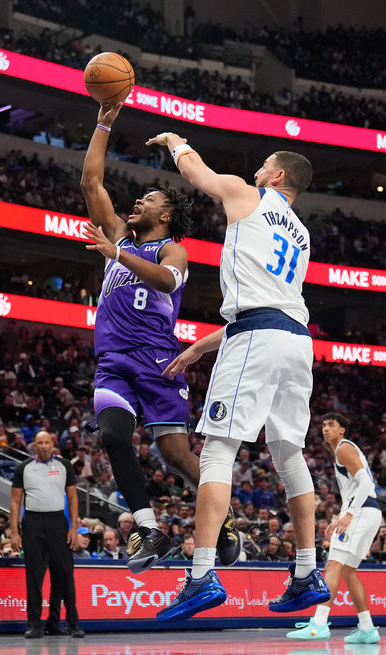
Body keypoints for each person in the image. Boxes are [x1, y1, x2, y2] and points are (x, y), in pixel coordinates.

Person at [149, 135, 328, 621]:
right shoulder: (301, 233)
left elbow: (197, 175)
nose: (256, 169)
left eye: (264, 163)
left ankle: (202, 573)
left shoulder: (249, 196)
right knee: (289, 453)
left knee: (218, 450)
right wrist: (197, 349)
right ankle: (307, 573)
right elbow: (265, 304)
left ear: (279, 176)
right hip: (295, 340)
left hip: (257, 336)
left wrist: (176, 141)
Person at [80, 103, 239, 573]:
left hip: (157, 360)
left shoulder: (171, 248)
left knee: (175, 455)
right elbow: (91, 183)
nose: (138, 203)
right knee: (112, 435)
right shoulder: (119, 239)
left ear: (166, 214)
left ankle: (225, 520)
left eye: (149, 199)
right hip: (113, 360)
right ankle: (150, 530)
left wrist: (117, 255)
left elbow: (168, 282)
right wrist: (103, 123)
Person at [288, 413, 382, 643]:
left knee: (332, 565)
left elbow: (367, 483)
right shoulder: (343, 450)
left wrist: (349, 514)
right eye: (323, 425)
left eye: (331, 425)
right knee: (348, 571)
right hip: (369, 511)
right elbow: (356, 489)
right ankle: (368, 629)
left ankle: (318, 625)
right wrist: (341, 515)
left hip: (361, 511)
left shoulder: (343, 448)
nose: (326, 428)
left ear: (342, 430)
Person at [10, 431, 83, 639]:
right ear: (34, 445)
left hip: (58, 523)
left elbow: (73, 498)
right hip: (32, 523)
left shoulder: (64, 466)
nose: (43, 446)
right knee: (34, 576)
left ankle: (71, 623)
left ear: (53, 444)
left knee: (65, 576)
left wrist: (73, 527)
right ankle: (34, 624)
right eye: (39, 443)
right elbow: (15, 501)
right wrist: (14, 531)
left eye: (47, 442)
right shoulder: (23, 468)